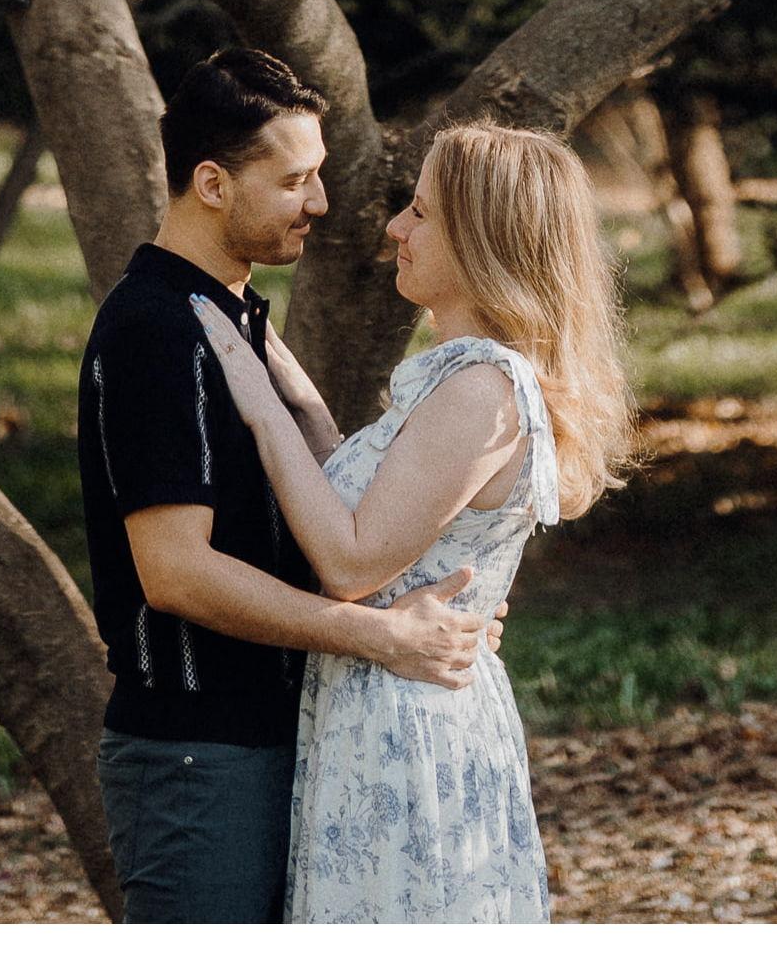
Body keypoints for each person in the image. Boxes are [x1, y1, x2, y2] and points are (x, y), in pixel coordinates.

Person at [75, 45, 489, 923]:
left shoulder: (230, 317)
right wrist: (378, 639)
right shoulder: (157, 330)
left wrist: (440, 608)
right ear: (214, 184)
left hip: (271, 740)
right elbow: (176, 573)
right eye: (295, 180)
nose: (322, 202)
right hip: (197, 759)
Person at [191, 121, 629, 926]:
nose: (396, 227)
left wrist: (259, 407)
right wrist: (286, 378)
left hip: (409, 730)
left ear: (486, 240)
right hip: (383, 712)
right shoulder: (463, 381)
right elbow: (373, 504)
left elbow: (350, 561)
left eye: (421, 213)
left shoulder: (482, 391)